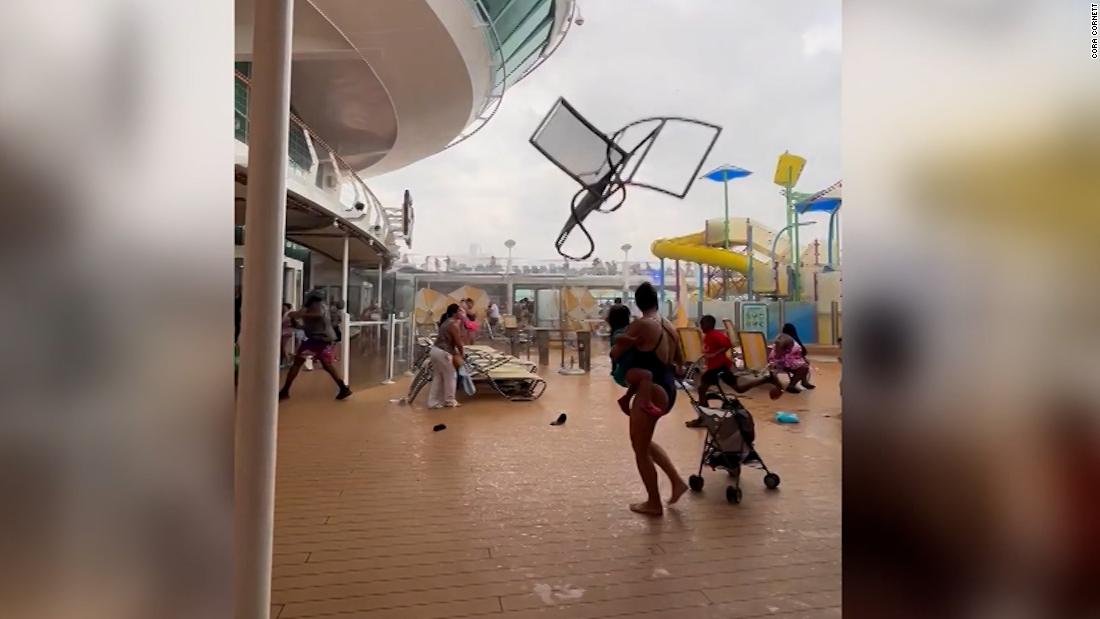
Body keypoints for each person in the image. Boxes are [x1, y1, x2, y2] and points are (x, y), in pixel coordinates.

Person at [610, 282, 689, 516]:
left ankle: (653, 503)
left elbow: (616, 353)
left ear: (638, 302)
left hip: (651, 389)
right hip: (668, 388)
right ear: (657, 301)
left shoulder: (642, 324)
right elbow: (679, 363)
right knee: (644, 442)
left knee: (639, 448)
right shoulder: (670, 326)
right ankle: (677, 482)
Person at [685, 316, 784, 427]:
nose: (701, 326)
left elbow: (728, 344)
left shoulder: (714, 335)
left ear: (709, 324)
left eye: (703, 324)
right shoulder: (708, 336)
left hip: (718, 367)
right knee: (737, 388)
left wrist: (715, 353)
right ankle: (766, 379)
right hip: (715, 367)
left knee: (702, 389)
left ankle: (703, 418)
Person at [278, 293, 352, 401]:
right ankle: (343, 388)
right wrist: (297, 321)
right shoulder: (320, 306)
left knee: (299, 363)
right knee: (325, 364)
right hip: (316, 338)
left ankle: (285, 390)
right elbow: (311, 323)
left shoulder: (317, 306)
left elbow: (318, 315)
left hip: (317, 339)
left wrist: (298, 314)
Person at [428, 303, 464, 409]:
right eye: (459, 311)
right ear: (455, 313)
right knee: (451, 375)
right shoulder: (453, 324)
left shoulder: (446, 322)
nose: (461, 313)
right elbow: (458, 342)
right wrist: (462, 354)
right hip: (443, 352)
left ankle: (433, 402)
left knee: (438, 377)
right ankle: (449, 400)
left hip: (435, 351)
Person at [781, 323, 816, 390]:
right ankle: (791, 385)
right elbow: (802, 352)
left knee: (804, 363)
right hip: (785, 363)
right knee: (803, 366)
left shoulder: (782, 338)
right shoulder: (791, 339)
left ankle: (804, 382)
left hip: (784, 361)